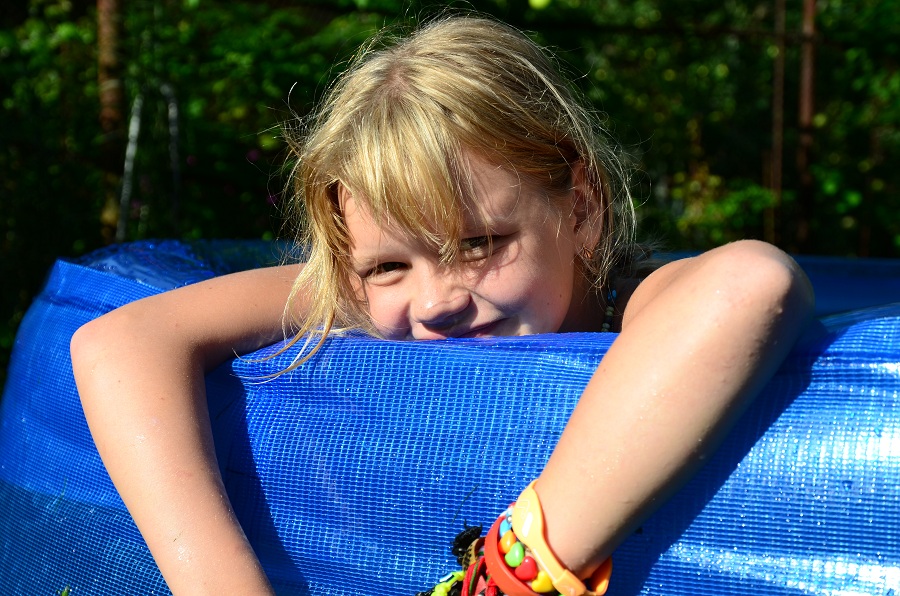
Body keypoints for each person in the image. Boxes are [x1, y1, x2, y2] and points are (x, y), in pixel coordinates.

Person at [70, 15, 815, 596]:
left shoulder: (636, 302)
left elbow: (749, 283)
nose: (435, 302)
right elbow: (119, 342)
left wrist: (514, 573)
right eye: (389, 263)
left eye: (481, 243)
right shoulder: (361, 295)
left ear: (581, 207)